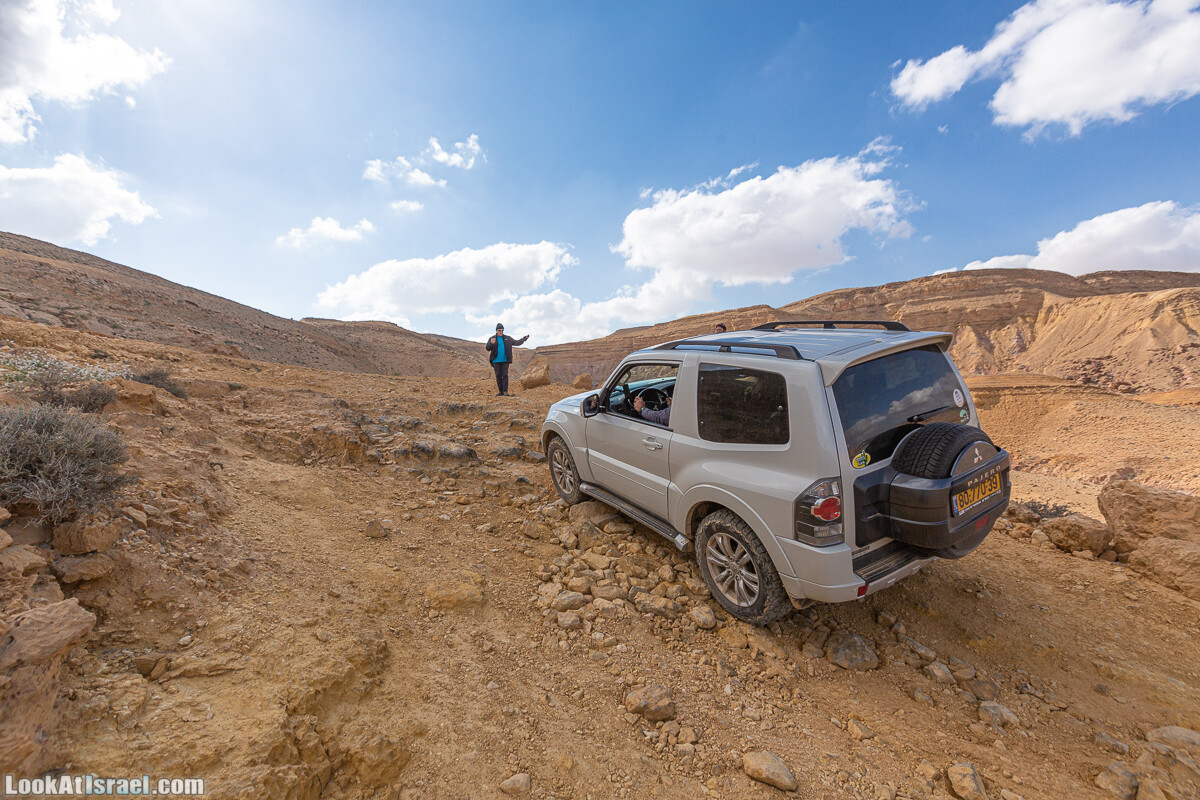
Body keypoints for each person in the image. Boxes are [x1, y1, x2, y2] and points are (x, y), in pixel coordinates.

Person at [485, 323, 529, 396]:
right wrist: (491, 343)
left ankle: (505, 391)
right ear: (496, 330)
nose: (501, 331)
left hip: (505, 360)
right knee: (498, 375)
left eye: (502, 330)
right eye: (499, 330)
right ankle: (500, 391)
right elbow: (487, 348)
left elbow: (517, 342)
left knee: (505, 375)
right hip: (496, 360)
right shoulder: (492, 338)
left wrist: (524, 339)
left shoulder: (508, 338)